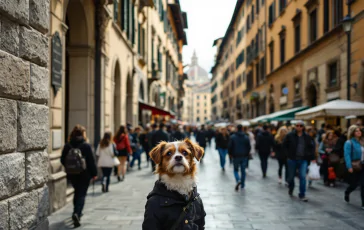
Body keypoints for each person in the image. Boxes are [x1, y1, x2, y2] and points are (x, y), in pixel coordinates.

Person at [61, 125, 97, 227]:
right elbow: (91, 161)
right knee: (81, 194)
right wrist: (94, 174)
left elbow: (62, 159)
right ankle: (77, 213)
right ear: (83, 134)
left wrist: (70, 167)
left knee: (77, 191)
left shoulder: (68, 145)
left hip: (72, 174)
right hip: (84, 174)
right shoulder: (86, 146)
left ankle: (75, 211)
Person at [283, 121, 315, 202]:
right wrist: (287, 155)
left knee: (302, 176)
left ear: (303, 127)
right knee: (290, 177)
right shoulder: (290, 135)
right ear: (295, 126)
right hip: (292, 159)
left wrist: (311, 156)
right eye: (297, 125)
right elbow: (284, 146)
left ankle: (302, 194)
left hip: (303, 159)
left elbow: (311, 147)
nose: (299, 127)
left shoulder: (307, 136)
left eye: (301, 126)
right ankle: (291, 188)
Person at [344, 125, 364, 210]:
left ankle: (363, 203)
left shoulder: (362, 141)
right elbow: (347, 155)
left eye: (359, 131)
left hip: (363, 165)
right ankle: (347, 191)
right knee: (354, 184)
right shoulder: (349, 142)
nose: (359, 132)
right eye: (356, 131)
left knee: (363, 185)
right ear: (353, 133)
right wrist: (349, 166)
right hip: (356, 165)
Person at [228, 124, 251, 191]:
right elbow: (249, 147)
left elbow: (230, 147)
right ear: (242, 129)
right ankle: (243, 185)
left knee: (235, 170)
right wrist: (246, 153)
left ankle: (238, 180)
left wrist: (230, 154)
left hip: (236, 156)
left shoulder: (233, 137)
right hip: (244, 156)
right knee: (243, 171)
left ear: (237, 129)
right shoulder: (246, 137)